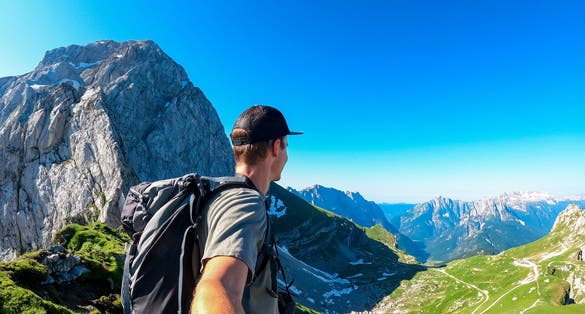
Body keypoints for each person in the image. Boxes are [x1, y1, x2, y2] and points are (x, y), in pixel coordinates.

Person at [191, 105, 302, 313]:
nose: (286, 156)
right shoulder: (245, 204)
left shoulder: (225, 195)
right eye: (286, 147)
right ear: (276, 147)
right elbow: (215, 288)